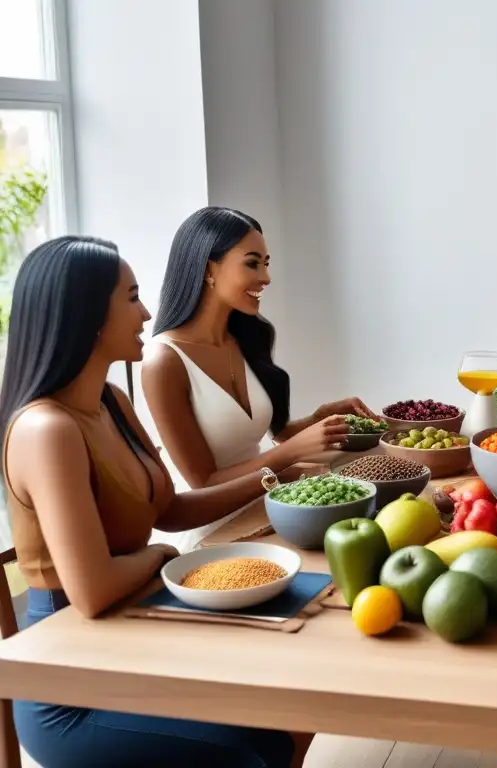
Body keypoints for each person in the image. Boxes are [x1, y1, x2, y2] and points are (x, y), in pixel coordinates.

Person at [0, 235, 311, 767]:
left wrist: (277, 478)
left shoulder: (112, 402)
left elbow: (170, 510)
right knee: (257, 746)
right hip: (72, 684)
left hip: (133, 627)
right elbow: (93, 590)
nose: (147, 312)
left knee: (293, 702)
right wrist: (163, 557)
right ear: (86, 315)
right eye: (131, 297)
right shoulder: (46, 429)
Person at [142, 206, 375, 552]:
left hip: (270, 507)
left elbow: (270, 434)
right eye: (252, 263)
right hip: (212, 534)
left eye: (266, 264)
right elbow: (203, 483)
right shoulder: (163, 362)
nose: (266, 278)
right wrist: (289, 455)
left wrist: (317, 420)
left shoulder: (248, 337)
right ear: (209, 269)